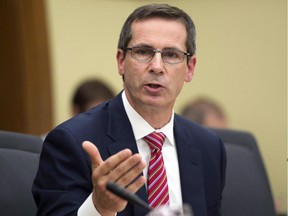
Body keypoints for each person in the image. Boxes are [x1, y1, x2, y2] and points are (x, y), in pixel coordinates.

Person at [33, 4, 226, 216]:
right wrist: (99, 208)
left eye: (171, 55)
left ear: (190, 68)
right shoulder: (71, 141)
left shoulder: (209, 147)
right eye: (143, 52)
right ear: (121, 61)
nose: (157, 66)